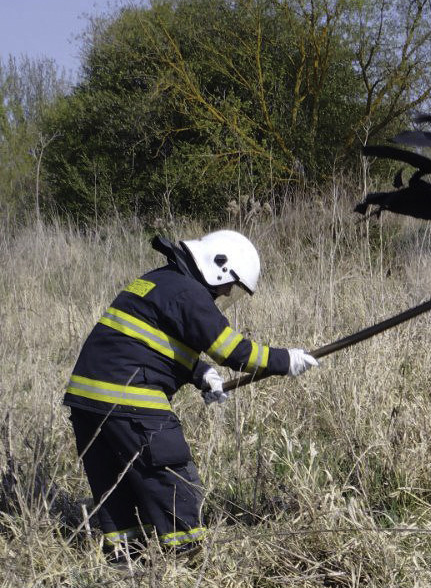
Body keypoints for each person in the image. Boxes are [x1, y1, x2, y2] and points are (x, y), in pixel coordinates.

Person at [64, 230, 318, 564]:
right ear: (218, 267)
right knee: (170, 475)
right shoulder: (189, 291)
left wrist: (200, 373)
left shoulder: (159, 281)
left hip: (86, 400)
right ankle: (186, 559)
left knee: (117, 485)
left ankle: (126, 565)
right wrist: (285, 360)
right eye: (229, 286)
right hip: (130, 397)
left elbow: (148, 343)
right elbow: (233, 351)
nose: (226, 293)